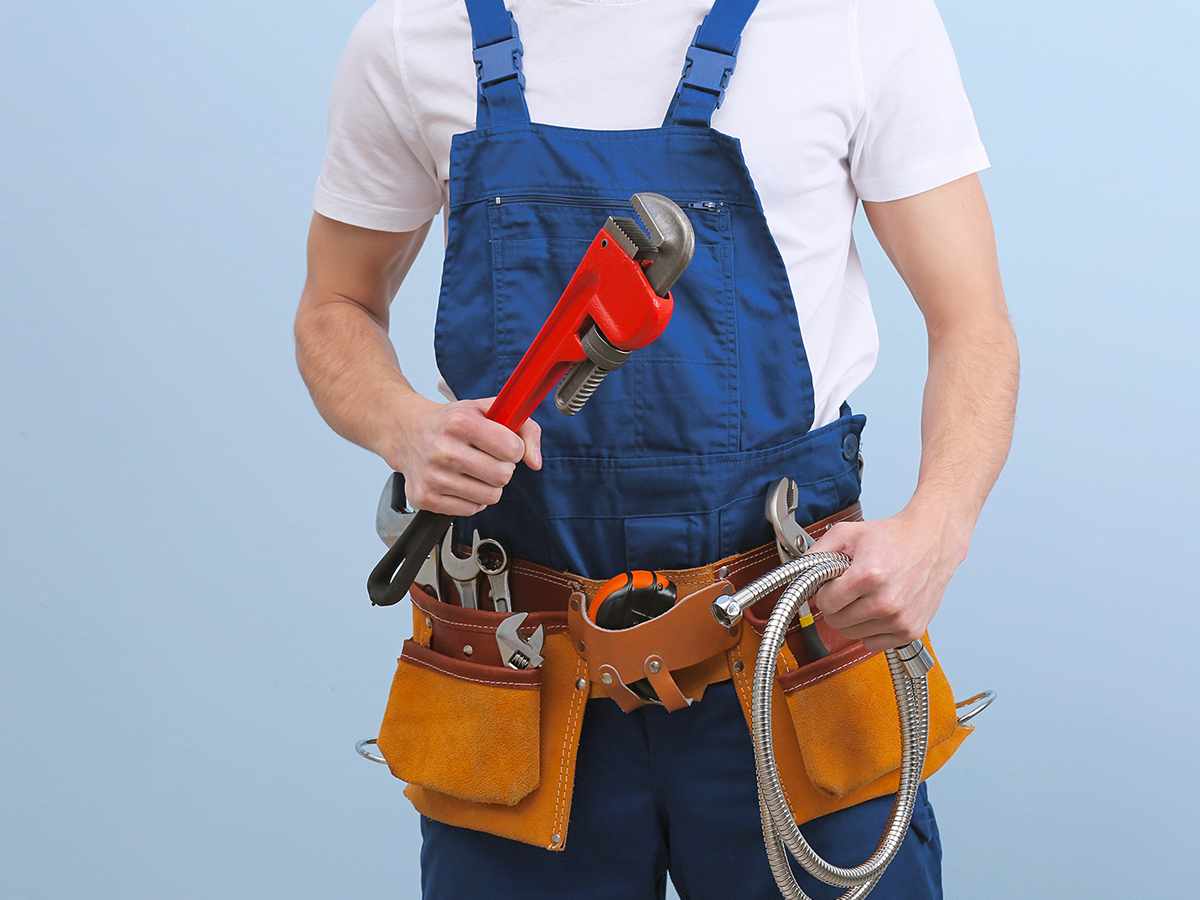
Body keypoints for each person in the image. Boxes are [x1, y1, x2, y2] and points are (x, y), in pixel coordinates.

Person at [295, 0, 1019, 897]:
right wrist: (402, 424)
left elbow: (973, 321)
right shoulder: (412, 35)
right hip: (519, 668)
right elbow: (334, 304)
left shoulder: (855, 21)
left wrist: (938, 530)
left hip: (791, 653)